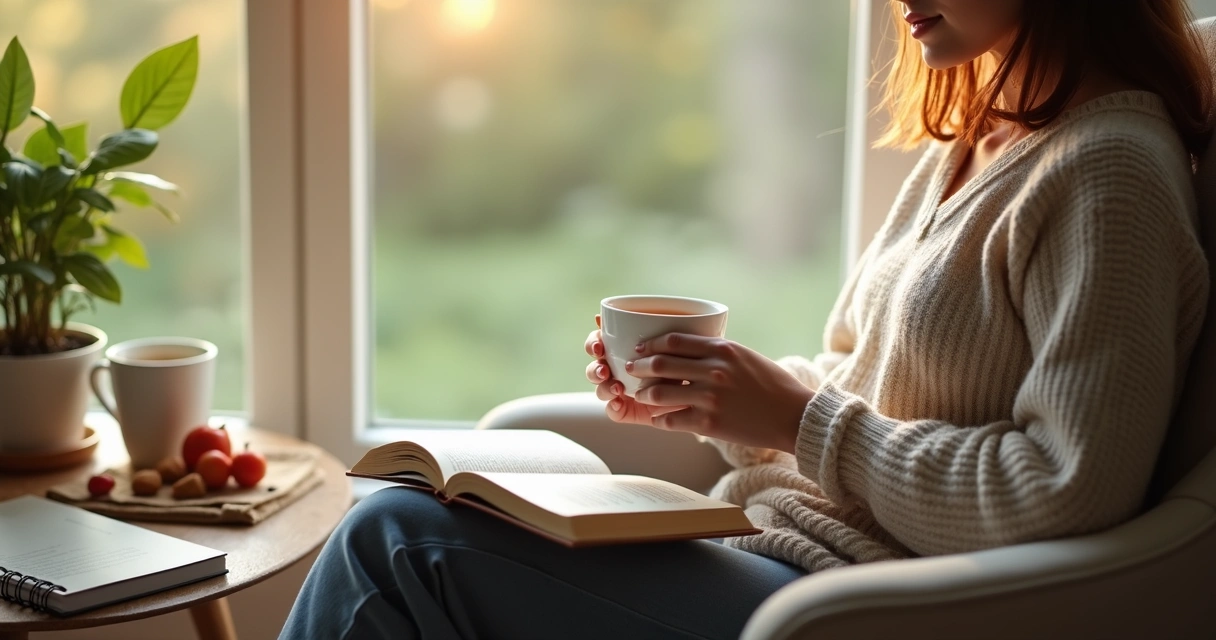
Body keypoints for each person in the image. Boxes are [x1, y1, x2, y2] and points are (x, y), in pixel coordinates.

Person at [280, 1, 1213, 638]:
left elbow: (1068, 489)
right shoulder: (983, 138)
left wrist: (797, 419)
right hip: (771, 548)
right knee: (421, 507)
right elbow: (860, 391)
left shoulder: (1109, 175)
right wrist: (712, 401)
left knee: (395, 539)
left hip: (851, 607)